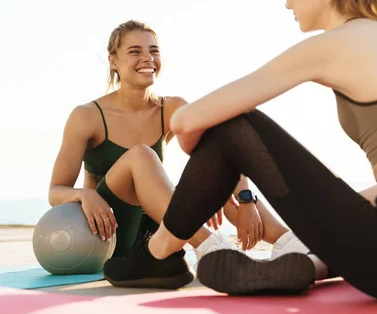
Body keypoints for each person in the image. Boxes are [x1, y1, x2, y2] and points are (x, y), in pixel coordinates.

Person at [103, 0, 377, 303]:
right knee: (229, 133)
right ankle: (308, 261)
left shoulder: (344, 42)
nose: (286, 0)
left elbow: (187, 121)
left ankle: (158, 253)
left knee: (231, 125)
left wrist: (211, 161)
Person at [48, 19, 309, 289]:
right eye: (135, 51)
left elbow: (224, 147)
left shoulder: (171, 108)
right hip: (110, 231)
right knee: (141, 155)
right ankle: (210, 247)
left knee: (213, 171)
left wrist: (245, 200)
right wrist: (84, 194)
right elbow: (55, 191)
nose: (147, 58)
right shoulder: (87, 116)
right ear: (113, 60)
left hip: (158, 228)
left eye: (154, 50)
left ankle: (288, 243)